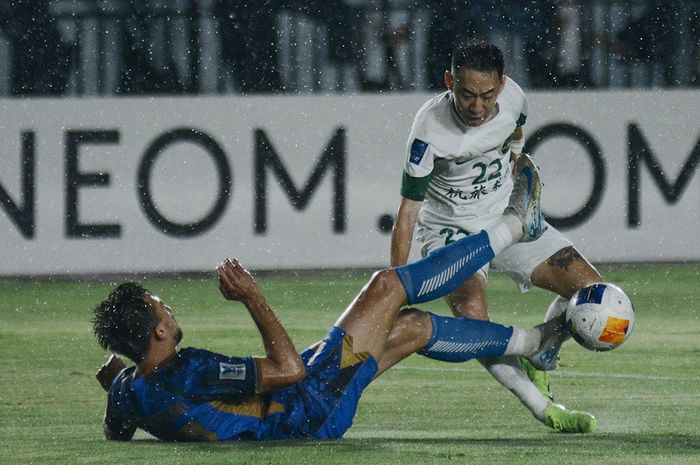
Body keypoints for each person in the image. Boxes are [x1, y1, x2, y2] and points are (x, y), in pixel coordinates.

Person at [92, 165, 594, 441]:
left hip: (302, 408)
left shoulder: (130, 391)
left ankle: (536, 346)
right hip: (309, 405)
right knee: (385, 287)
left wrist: (116, 377)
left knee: (413, 327)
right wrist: (253, 297)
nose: (169, 308)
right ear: (157, 332)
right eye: (162, 308)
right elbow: (287, 370)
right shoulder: (188, 370)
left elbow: (118, 430)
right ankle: (513, 226)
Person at [390, 39, 602, 432]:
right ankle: (545, 409)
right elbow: (407, 213)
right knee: (475, 321)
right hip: (452, 233)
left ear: (502, 85)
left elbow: (516, 132)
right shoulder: (428, 132)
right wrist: (395, 285)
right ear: (449, 81)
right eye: (466, 95)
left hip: (509, 216)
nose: (477, 107)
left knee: (591, 292)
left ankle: (543, 352)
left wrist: (518, 157)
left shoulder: (516, 98)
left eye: (487, 96)